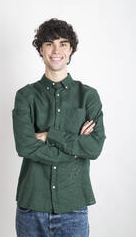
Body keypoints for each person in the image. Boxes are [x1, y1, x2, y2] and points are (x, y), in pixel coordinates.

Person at [12, 18, 106, 237]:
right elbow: (25, 147)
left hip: (74, 207)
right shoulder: (25, 96)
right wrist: (74, 151)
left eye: (63, 44)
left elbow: (94, 148)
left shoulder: (89, 96)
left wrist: (49, 135)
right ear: (41, 49)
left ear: (71, 49)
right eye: (49, 44)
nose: (56, 50)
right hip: (31, 206)